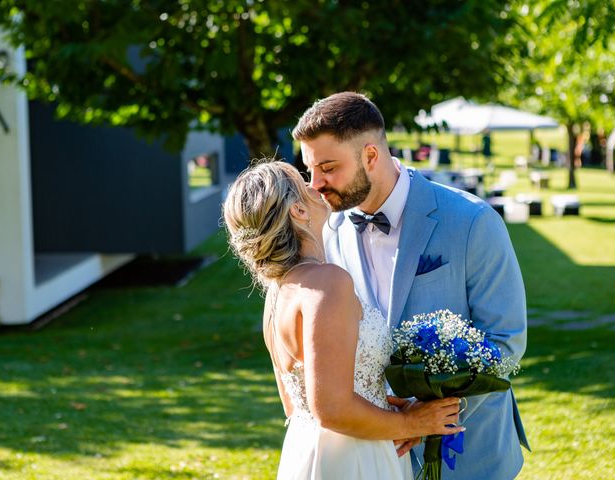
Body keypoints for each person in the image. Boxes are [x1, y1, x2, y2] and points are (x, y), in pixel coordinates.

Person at [292, 92, 529, 480]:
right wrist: (390, 422)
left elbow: (505, 341)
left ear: (371, 156)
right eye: (310, 169)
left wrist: (428, 419)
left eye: (328, 168)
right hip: (376, 452)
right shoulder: (330, 231)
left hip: (470, 453)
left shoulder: (472, 221)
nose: (315, 184)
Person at [223, 160, 463, 479]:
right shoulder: (328, 282)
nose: (315, 186)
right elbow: (332, 409)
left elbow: (296, 405)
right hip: (355, 459)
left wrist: (382, 410)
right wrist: (413, 423)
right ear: (298, 212)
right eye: (303, 182)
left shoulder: (277, 293)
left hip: (309, 452)